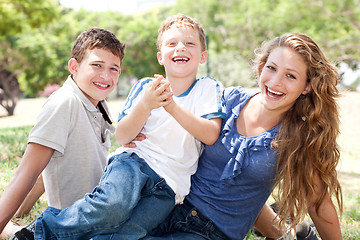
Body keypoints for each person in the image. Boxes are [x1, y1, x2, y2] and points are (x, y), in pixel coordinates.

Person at [12, 14, 225, 240]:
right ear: (160, 56)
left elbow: (210, 135)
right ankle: (38, 231)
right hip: (133, 164)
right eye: (172, 43)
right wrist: (146, 104)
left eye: (189, 43)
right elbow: (123, 136)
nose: (180, 47)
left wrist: (171, 106)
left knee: (126, 234)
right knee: (111, 207)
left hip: (170, 188)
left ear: (203, 56)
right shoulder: (146, 87)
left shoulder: (208, 89)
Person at [144, 32, 343, 240]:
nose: (275, 82)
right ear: (262, 66)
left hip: (210, 233)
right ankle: (292, 233)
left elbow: (318, 202)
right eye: (272, 68)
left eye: (291, 76)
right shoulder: (228, 100)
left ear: (307, 86)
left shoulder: (297, 138)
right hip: (167, 208)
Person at [0, 28, 125, 238]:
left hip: (98, 213)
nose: (106, 75)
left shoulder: (100, 104)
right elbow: (27, 173)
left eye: (114, 68)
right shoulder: (64, 102)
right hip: (71, 223)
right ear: (74, 66)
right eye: (96, 65)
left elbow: (52, 165)